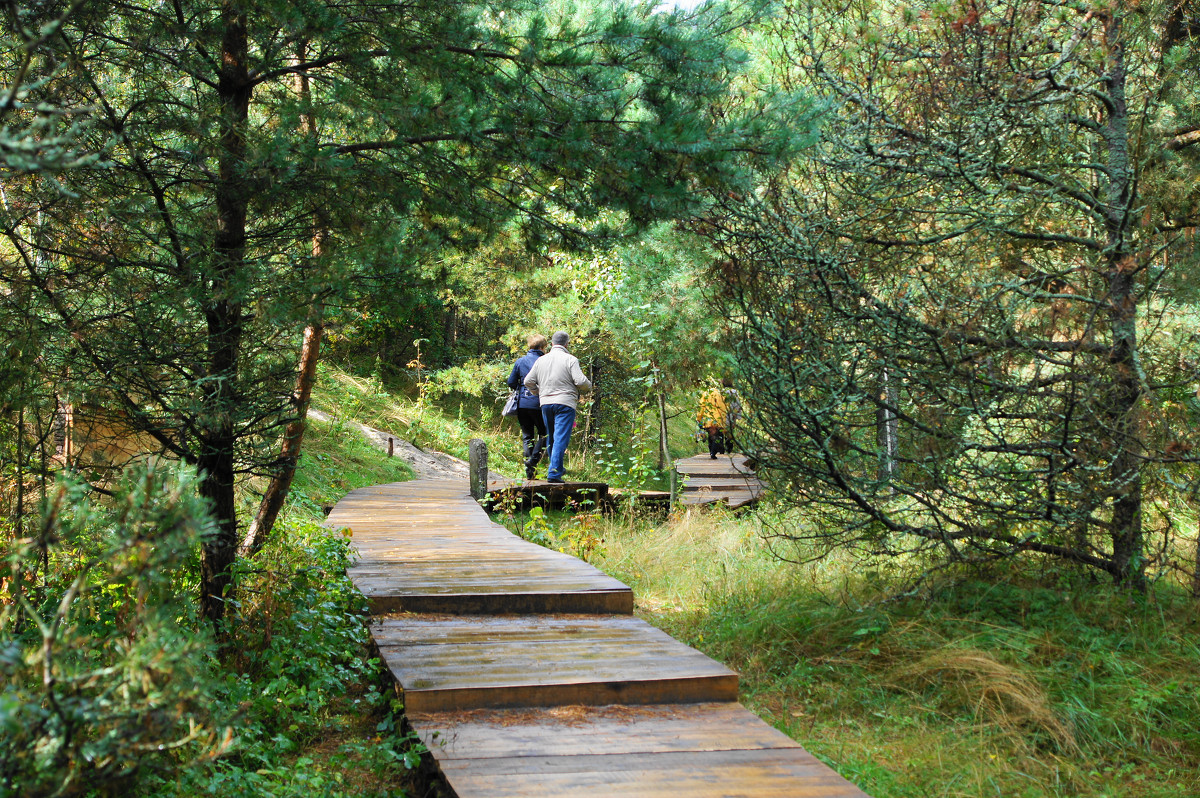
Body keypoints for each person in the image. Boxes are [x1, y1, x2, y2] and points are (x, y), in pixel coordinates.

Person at [524, 330, 591, 483]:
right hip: (565, 403)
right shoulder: (571, 360)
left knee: (552, 437)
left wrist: (538, 392)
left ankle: (556, 467)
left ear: (552, 343)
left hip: (546, 403)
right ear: (567, 344)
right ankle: (554, 473)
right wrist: (589, 386)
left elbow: (528, 381)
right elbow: (580, 382)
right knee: (561, 438)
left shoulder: (541, 360)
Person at [507, 334, 548, 480]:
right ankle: (533, 461)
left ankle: (529, 472)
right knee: (546, 433)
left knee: (527, 436)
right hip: (539, 403)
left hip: (522, 404)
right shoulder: (545, 361)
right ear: (542, 347)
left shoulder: (520, 361)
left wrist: (522, 387)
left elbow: (511, 382)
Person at [697, 377, 740, 459]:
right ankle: (713, 452)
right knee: (716, 435)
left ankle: (711, 451)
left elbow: (701, 407)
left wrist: (699, 417)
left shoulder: (706, 393)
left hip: (708, 418)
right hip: (719, 419)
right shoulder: (722, 394)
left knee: (711, 435)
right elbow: (725, 407)